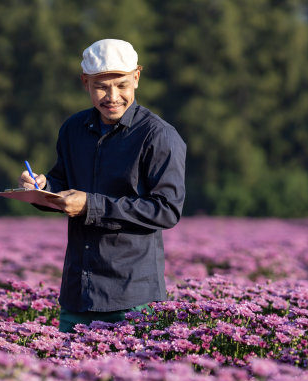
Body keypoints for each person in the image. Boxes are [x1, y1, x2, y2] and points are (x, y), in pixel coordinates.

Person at [18, 39, 186, 333]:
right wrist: (42, 186)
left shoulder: (158, 136)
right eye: (100, 86)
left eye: (121, 84)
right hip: (76, 294)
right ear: (85, 82)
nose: (112, 96)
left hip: (132, 299)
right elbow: (63, 181)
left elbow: (167, 210)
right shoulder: (73, 129)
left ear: (136, 77)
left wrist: (89, 205)